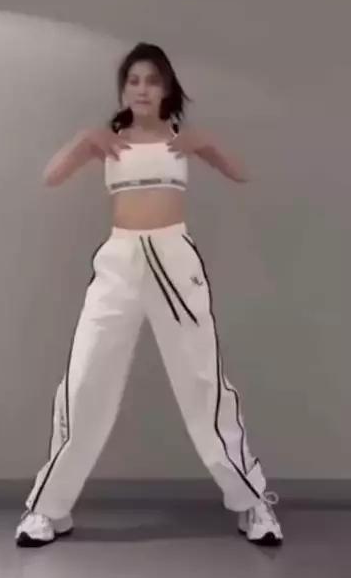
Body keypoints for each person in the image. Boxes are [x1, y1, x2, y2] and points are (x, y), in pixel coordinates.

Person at [15, 42, 283, 548]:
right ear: (123, 90)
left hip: (175, 261)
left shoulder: (181, 141)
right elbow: (50, 177)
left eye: (152, 80)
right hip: (119, 261)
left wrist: (207, 143)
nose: (142, 89)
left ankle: (252, 502)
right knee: (85, 379)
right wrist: (83, 140)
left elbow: (241, 172)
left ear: (167, 89)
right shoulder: (108, 143)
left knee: (203, 380)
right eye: (133, 80)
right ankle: (47, 509)